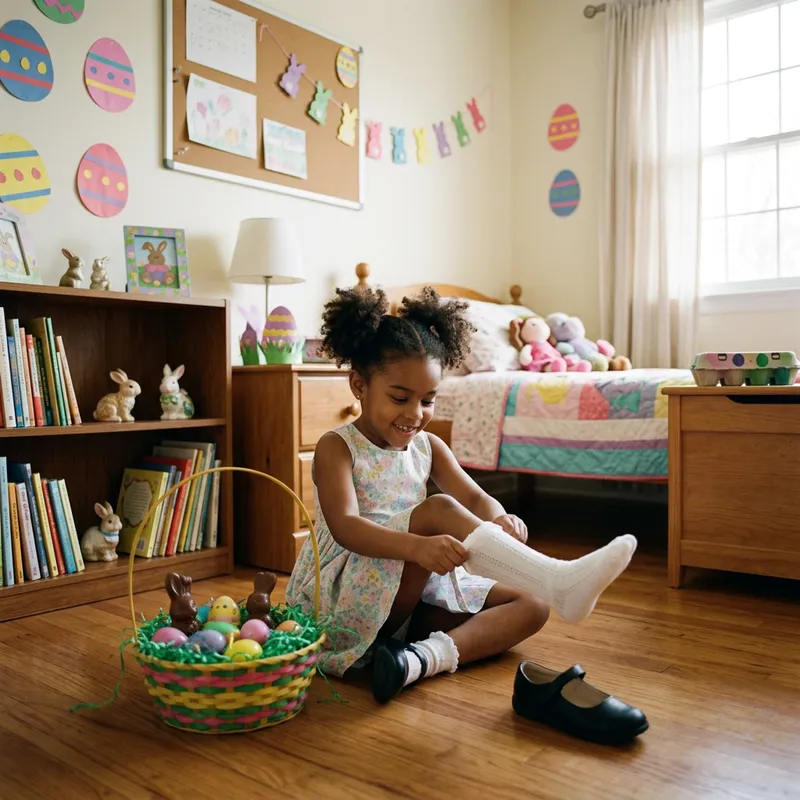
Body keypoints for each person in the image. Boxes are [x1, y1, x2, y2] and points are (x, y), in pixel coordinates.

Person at [285, 286, 637, 703]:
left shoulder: (428, 446)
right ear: (359, 385)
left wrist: (500, 517)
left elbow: (475, 500)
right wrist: (418, 548)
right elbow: (345, 528)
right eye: (400, 397)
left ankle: (416, 661)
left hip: (410, 591)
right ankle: (557, 576)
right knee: (437, 509)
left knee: (534, 604)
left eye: (428, 400)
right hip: (347, 595)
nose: (415, 413)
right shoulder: (337, 446)